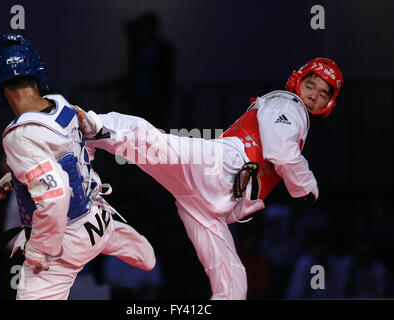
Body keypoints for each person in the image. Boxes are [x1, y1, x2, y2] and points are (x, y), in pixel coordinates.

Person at [75, 57, 344, 300]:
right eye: (310, 86)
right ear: (297, 81)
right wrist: (306, 186)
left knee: (233, 281)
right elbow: (282, 154)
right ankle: (92, 125)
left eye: (322, 94)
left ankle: (93, 134)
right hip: (220, 168)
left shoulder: (293, 112)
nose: (313, 96)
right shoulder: (290, 103)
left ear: (329, 103)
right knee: (156, 144)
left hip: (212, 203)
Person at [0, 33, 155, 300]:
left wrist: (39, 251)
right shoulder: (63, 107)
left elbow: (55, 195)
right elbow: (70, 156)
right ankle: (133, 245)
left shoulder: (19, 135)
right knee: (145, 259)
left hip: (63, 244)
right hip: (98, 222)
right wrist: (17, 176)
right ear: (38, 74)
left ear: (0, 87)